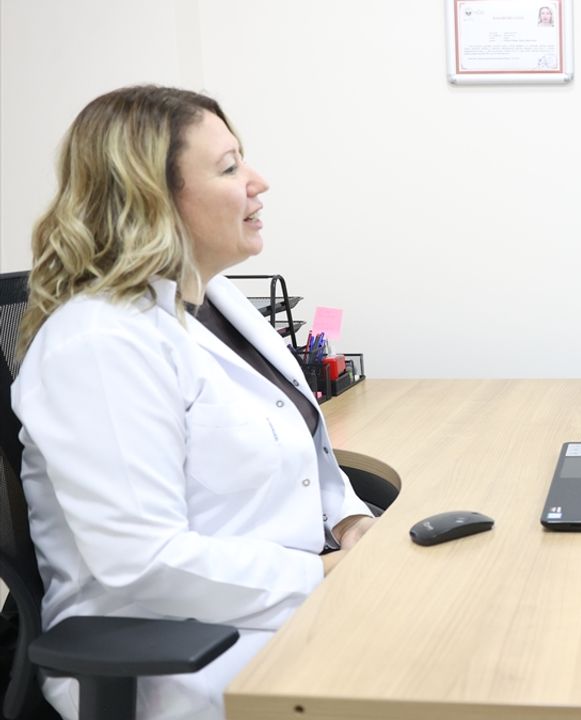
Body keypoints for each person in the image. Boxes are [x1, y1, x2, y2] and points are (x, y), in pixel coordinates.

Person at [12, 85, 376, 719]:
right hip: (175, 652)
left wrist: (350, 522)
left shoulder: (214, 299)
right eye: (229, 168)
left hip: (274, 603)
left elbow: (302, 452)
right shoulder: (99, 342)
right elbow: (144, 560)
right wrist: (325, 575)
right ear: (153, 196)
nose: (258, 182)